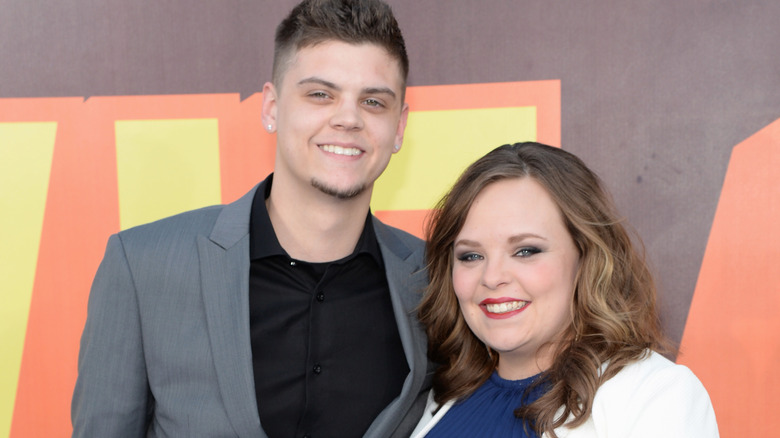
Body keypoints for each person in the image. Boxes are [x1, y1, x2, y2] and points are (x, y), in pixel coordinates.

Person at [71, 1, 431, 437]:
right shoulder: (143, 268)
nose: (348, 118)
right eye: (321, 94)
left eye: (373, 101)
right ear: (271, 107)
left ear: (399, 128)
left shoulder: (434, 282)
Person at [411, 142, 719, 437]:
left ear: (586, 257)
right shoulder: (440, 397)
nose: (492, 277)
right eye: (471, 256)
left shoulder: (656, 395)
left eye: (526, 251)